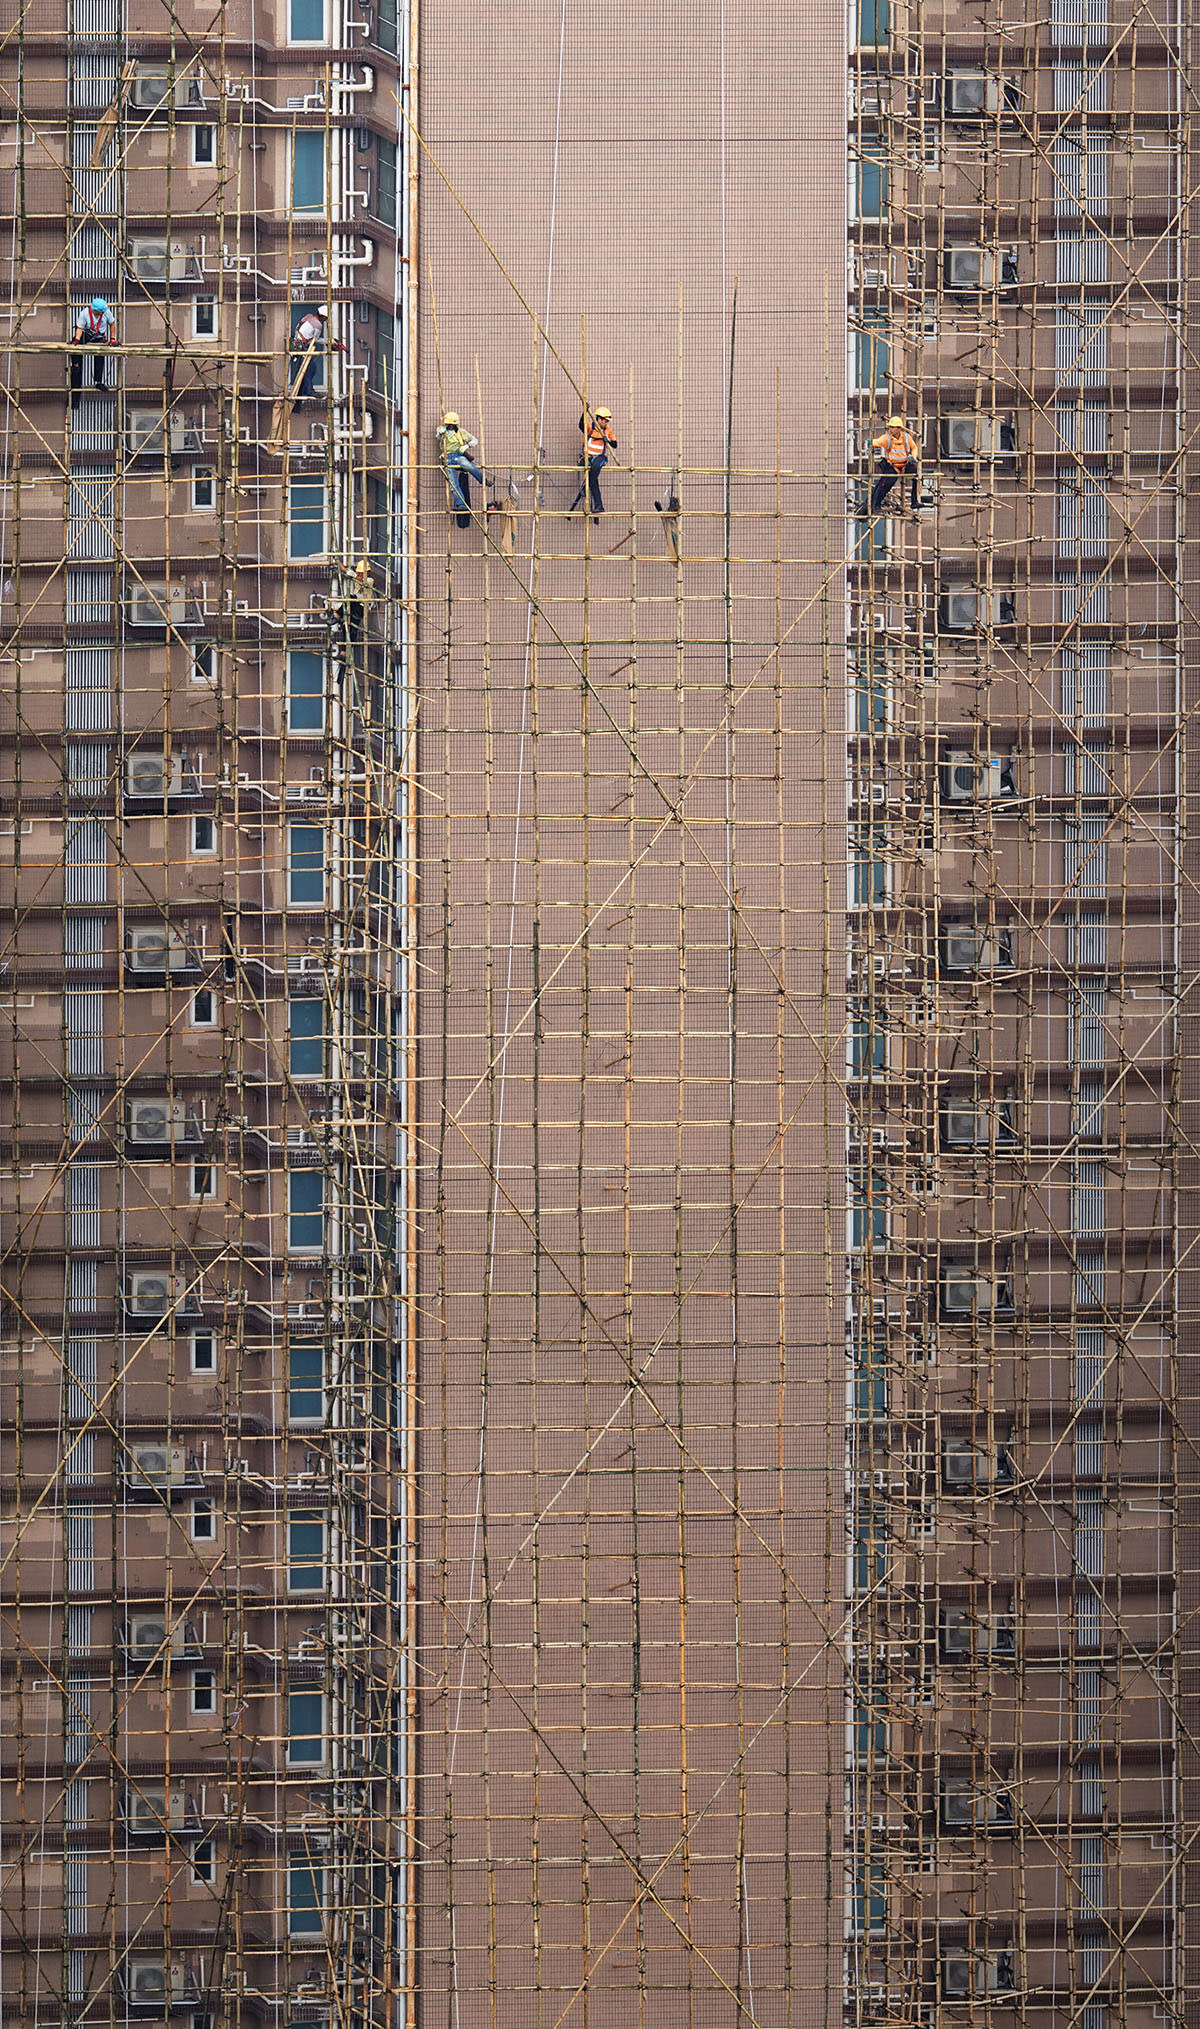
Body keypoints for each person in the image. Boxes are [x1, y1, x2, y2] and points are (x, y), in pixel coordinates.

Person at [436, 412, 483, 528]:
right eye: (448, 425)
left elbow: (474, 440)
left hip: (458, 456)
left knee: (467, 465)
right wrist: (440, 433)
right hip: (447, 458)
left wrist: (467, 446)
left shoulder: (461, 432)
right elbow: (438, 437)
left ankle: (482, 479)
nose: (449, 426)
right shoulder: (442, 431)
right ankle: (461, 504)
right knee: (453, 484)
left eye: (450, 424)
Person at [572, 407, 618, 519]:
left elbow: (615, 444)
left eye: (607, 421)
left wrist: (607, 440)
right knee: (593, 478)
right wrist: (584, 411)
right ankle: (598, 505)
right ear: (598, 419)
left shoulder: (607, 431)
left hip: (599, 457)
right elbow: (581, 425)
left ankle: (585, 490)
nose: (605, 423)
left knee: (596, 468)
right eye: (604, 420)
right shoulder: (591, 427)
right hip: (587, 458)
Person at [869, 415, 921, 514]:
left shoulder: (906, 437)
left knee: (917, 477)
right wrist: (870, 442)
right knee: (884, 485)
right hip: (892, 467)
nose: (890, 429)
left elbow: (914, 447)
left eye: (892, 427)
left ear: (899, 428)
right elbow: (877, 442)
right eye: (889, 427)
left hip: (905, 465)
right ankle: (875, 505)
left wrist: (913, 457)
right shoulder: (887, 438)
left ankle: (914, 501)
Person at [290, 306, 344, 400]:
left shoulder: (309, 317)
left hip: (296, 344)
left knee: (305, 369)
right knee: (310, 369)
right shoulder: (318, 325)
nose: (326, 320)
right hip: (302, 348)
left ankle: (305, 390)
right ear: (323, 316)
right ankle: (309, 391)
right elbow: (315, 340)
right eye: (326, 318)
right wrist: (329, 341)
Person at [70, 297, 116, 400]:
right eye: (100, 312)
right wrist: (77, 340)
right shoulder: (84, 313)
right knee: (74, 345)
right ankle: (76, 365)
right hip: (88, 334)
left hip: (99, 336)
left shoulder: (106, 313)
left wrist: (112, 338)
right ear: (95, 310)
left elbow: (112, 324)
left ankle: (98, 381)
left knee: (100, 356)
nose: (101, 313)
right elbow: (80, 328)